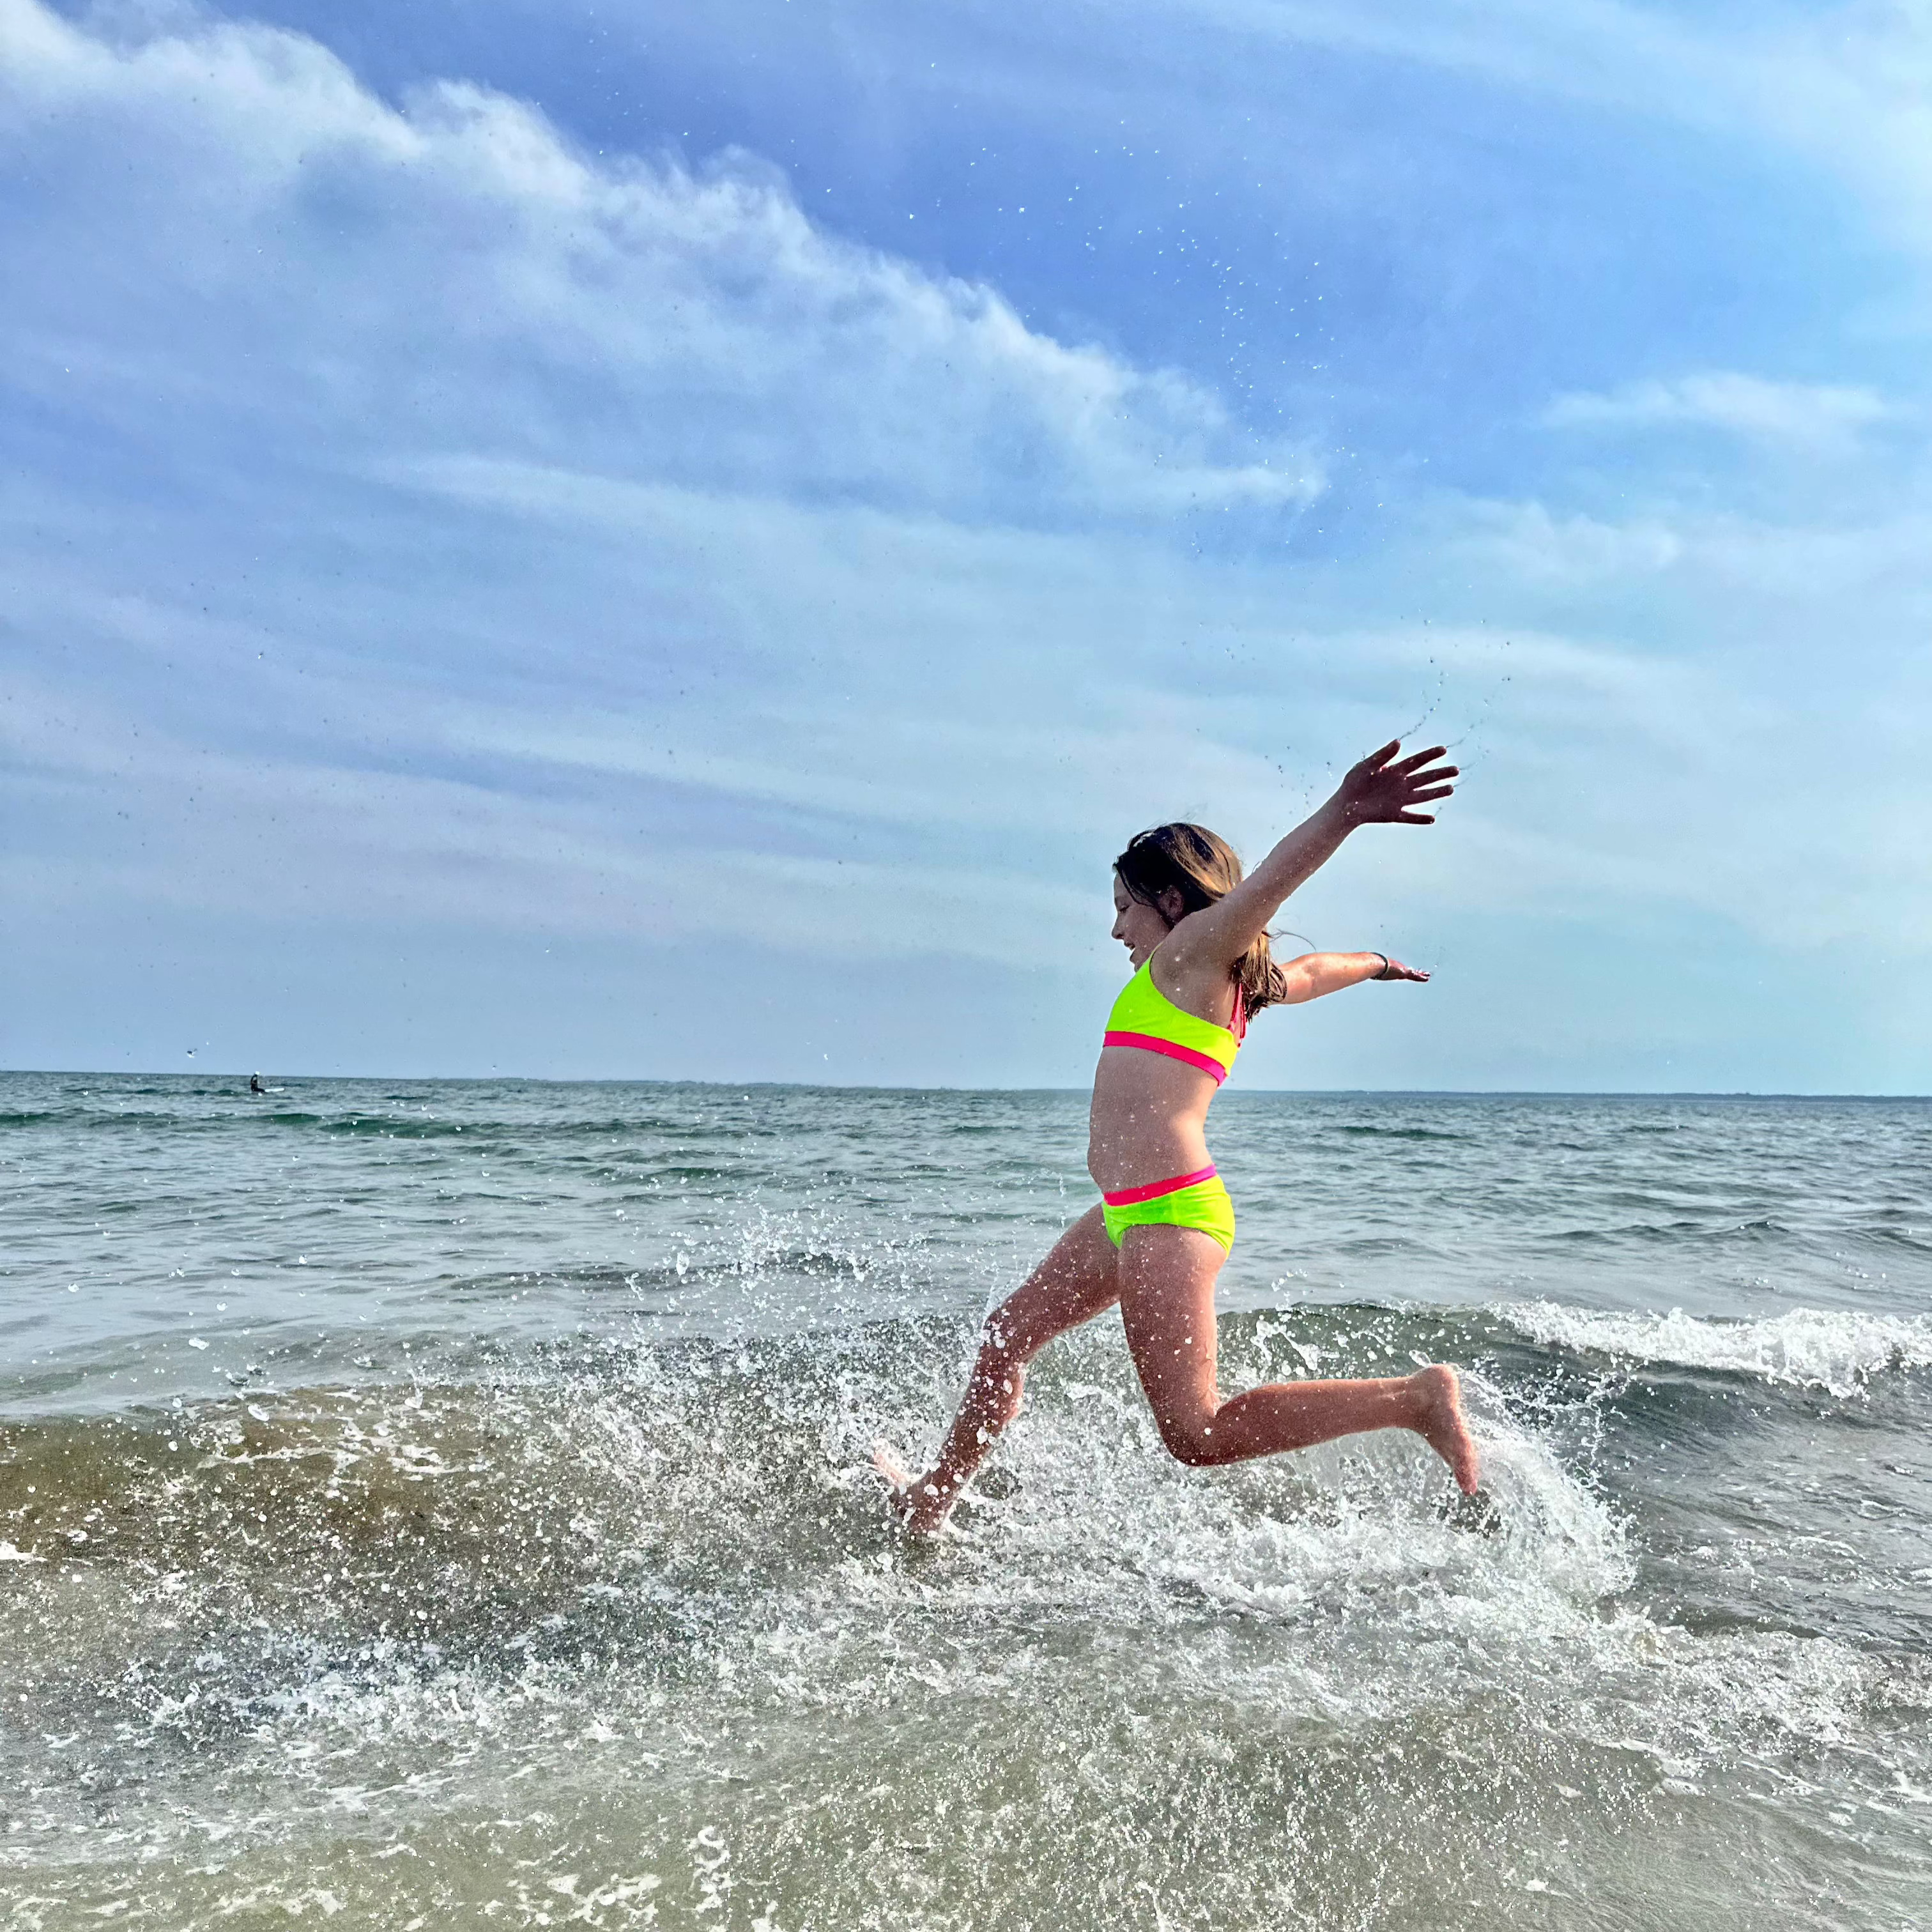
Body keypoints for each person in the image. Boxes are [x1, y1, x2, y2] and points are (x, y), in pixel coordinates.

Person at [875, 739, 1482, 1535]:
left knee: (1194, 1433)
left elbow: (1265, 888)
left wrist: (1345, 812)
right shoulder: (1229, 982)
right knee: (1006, 1336)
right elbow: (1315, 970)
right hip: (1129, 1213)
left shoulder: (1193, 953)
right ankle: (932, 1499)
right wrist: (1374, 963)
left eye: (1125, 906)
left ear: (1171, 902)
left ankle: (1413, 1400)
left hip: (1170, 1215)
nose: (1115, 928)